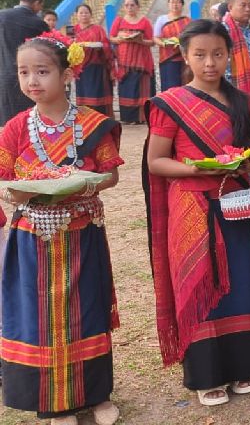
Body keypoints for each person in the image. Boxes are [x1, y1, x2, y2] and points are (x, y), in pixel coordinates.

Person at [144, 20, 250, 407]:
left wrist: (247, 161)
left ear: (228, 55)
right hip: (191, 206)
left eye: (217, 54)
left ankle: (244, 366)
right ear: (185, 56)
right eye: (199, 55)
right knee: (198, 281)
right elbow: (156, 161)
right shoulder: (169, 104)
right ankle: (206, 374)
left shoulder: (244, 103)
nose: (210, 62)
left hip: (234, 203)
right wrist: (197, 168)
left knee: (241, 281)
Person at [0, 32, 123, 425]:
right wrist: (22, 191)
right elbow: (4, 179)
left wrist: (82, 184)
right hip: (31, 238)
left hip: (81, 232)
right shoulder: (15, 128)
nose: (32, 80)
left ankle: (97, 396)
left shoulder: (92, 124)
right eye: (24, 72)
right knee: (39, 317)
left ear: (67, 75)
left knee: (87, 309)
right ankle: (55, 403)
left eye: (42, 71)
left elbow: (110, 175)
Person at [0, 0, 48, 126]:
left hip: (3, 77)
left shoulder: (2, 16)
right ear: (37, 3)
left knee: (6, 122)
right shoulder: (38, 24)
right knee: (27, 122)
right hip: (28, 80)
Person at [109, 0, 153, 124]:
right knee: (126, 90)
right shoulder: (119, 21)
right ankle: (127, 118)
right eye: (127, 5)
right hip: (124, 62)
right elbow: (111, 37)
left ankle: (141, 118)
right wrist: (120, 39)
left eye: (132, 5)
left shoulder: (144, 22)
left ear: (138, 7)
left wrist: (140, 40)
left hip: (141, 62)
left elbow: (151, 41)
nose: (129, 7)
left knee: (140, 90)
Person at [222, 0, 250, 107]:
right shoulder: (222, 31)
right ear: (230, 7)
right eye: (243, 5)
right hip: (233, 93)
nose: (248, 9)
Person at [72, 4, 114, 117]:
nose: (84, 15)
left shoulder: (98, 29)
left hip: (96, 66)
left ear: (90, 15)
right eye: (81, 13)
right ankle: (85, 118)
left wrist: (100, 47)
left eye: (86, 12)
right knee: (83, 93)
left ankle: (99, 117)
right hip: (80, 68)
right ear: (76, 15)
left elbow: (106, 45)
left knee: (96, 93)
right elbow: (67, 44)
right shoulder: (73, 30)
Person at [153, 0, 190, 93]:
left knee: (184, 86)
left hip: (184, 59)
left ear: (182, 4)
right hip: (168, 58)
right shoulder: (162, 19)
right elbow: (156, 38)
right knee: (169, 88)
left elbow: (192, 37)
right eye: (172, 2)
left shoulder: (187, 21)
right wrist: (164, 44)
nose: (175, 5)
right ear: (168, 4)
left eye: (178, 2)